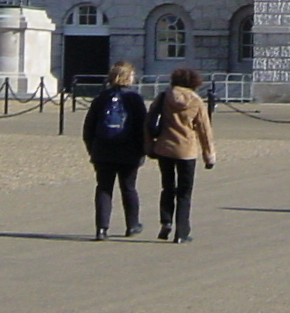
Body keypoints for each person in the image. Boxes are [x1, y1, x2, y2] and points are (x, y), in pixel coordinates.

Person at [147, 66, 216, 242]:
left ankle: (166, 221)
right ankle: (182, 231)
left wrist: (149, 146)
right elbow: (204, 130)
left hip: (165, 147)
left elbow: (149, 121)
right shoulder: (196, 101)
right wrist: (209, 155)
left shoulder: (164, 96)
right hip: (187, 150)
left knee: (167, 187)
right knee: (185, 192)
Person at [82, 61, 150, 239]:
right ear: (128, 78)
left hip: (102, 150)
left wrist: (92, 148)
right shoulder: (134, 99)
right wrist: (142, 149)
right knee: (128, 188)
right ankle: (132, 225)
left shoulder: (101, 98)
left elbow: (88, 126)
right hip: (128, 151)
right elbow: (142, 127)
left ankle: (102, 228)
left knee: (104, 189)